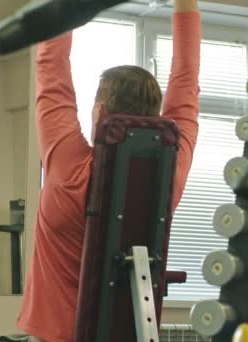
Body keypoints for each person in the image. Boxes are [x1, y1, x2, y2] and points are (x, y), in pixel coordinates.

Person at [16, 0, 201, 340]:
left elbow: (50, 64)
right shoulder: (167, 180)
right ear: (157, 121)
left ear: (100, 112)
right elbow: (186, 80)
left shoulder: (66, 167)